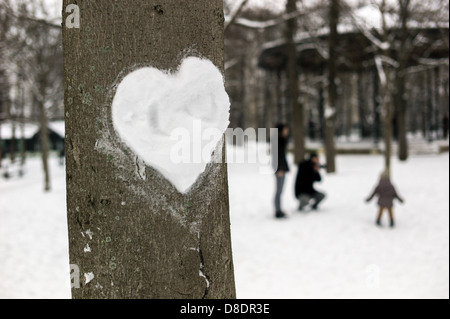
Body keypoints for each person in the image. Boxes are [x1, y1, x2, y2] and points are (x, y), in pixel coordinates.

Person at [272, 124, 290, 219]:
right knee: (278, 191)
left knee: (280, 191)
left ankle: (279, 209)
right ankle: (278, 211)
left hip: (281, 168)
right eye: (285, 130)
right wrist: (279, 169)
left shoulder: (281, 140)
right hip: (279, 169)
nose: (286, 132)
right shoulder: (277, 141)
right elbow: (276, 157)